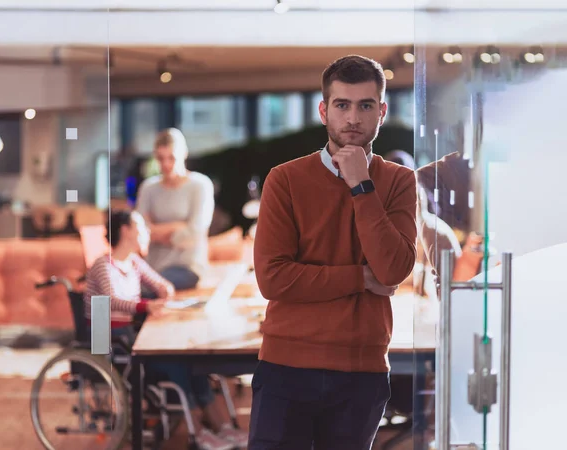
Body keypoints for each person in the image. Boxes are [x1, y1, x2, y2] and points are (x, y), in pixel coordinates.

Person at [249, 55, 418, 450]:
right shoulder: (285, 179)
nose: (353, 118)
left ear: (382, 111)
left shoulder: (398, 181)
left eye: (365, 105)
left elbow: (392, 269)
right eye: (342, 105)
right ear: (324, 111)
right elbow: (272, 278)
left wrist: (361, 185)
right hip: (285, 366)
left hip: (361, 369)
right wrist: (359, 277)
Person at [84, 210, 247, 450]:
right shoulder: (103, 264)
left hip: (130, 335)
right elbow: (111, 300)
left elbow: (160, 282)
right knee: (177, 363)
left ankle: (223, 428)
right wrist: (146, 305)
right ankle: (199, 433)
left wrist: (165, 289)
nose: (147, 232)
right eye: (141, 227)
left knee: (193, 363)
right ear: (126, 231)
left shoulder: (133, 261)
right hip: (111, 341)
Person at [136, 128, 215, 290]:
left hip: (187, 267)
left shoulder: (200, 185)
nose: (166, 164)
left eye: (171, 158)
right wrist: (178, 226)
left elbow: (194, 236)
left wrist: (155, 231)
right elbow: (139, 233)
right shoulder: (148, 188)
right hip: (152, 267)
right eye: (160, 158)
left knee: (147, 290)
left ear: (184, 154)